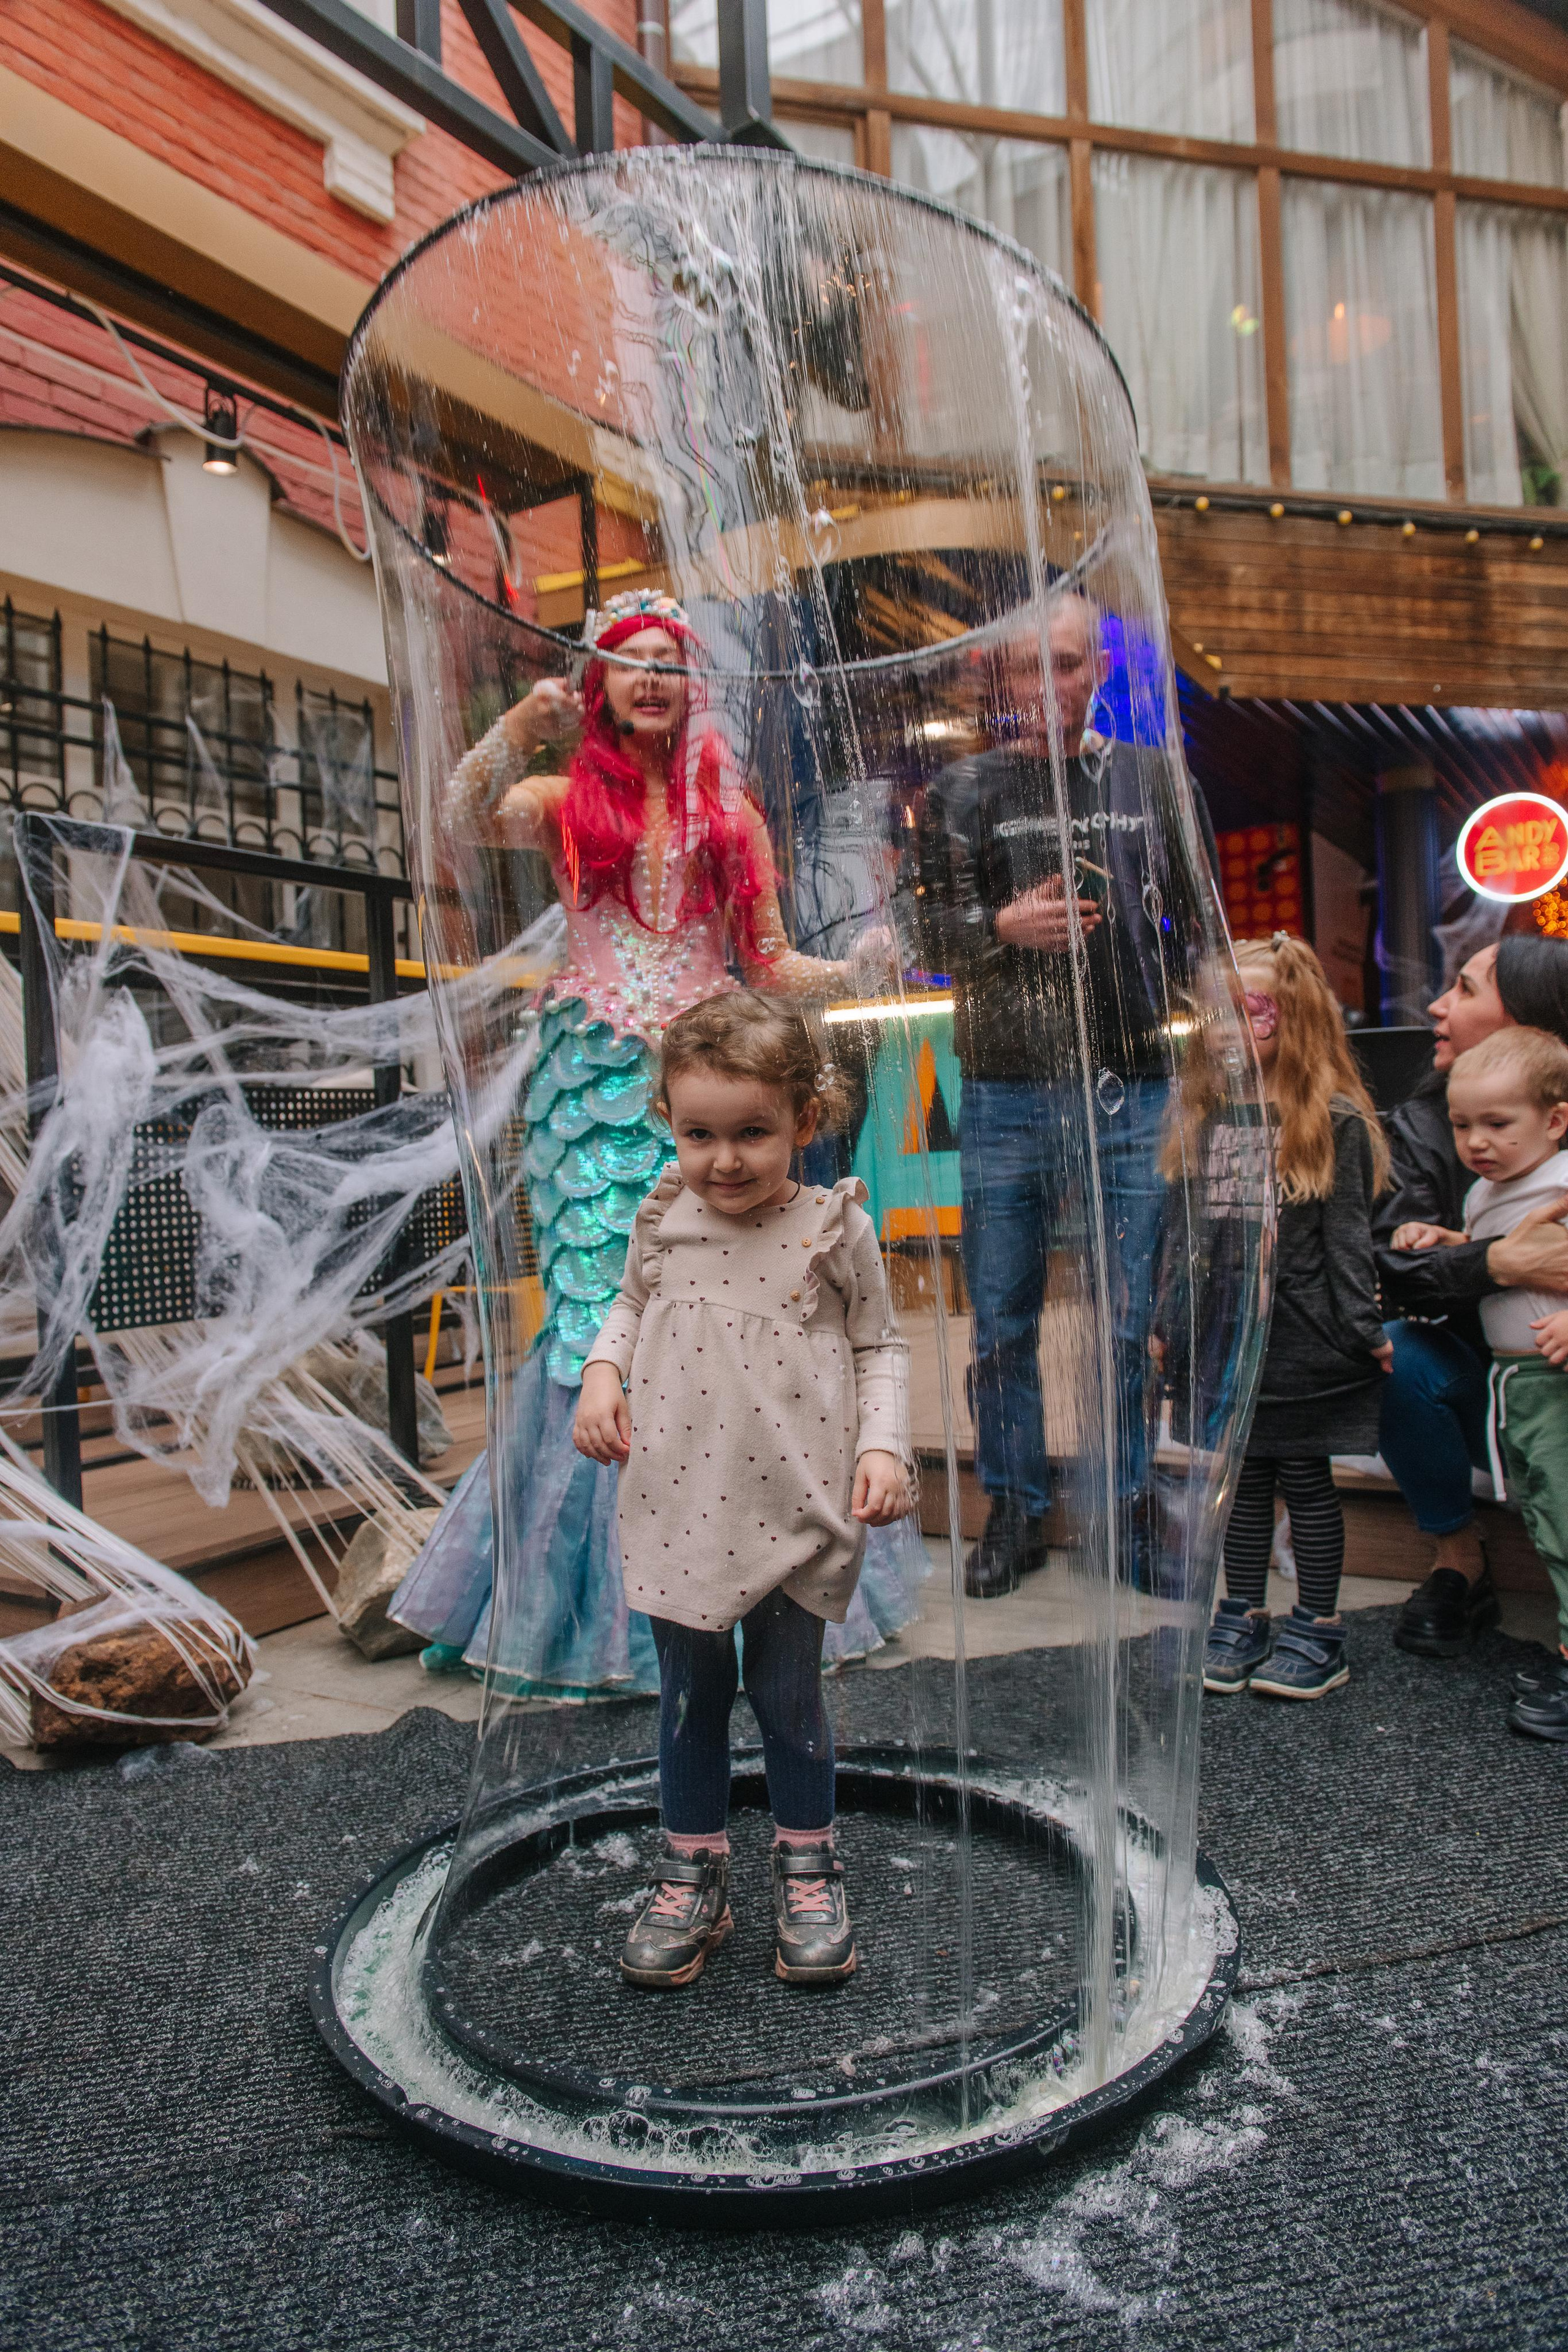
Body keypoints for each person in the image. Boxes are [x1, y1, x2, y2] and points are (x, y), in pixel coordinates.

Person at [388, 588, 921, 1695]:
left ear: (691, 688)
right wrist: (517, 728)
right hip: (591, 1087)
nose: (651, 679)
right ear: (600, 685)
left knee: (726, 1308)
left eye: (669, 663)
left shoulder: (732, 814)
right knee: (601, 1314)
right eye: (629, 661)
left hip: (710, 1081)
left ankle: (751, 1575)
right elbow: (459, 815)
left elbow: (770, 963)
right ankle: (601, 1616)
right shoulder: (560, 798)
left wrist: (854, 972)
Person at [574, 993, 911, 1987]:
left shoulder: (834, 1228)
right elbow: (629, 1304)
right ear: (670, 1124)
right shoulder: (664, 1219)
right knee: (690, 1696)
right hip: (680, 1501)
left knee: (787, 1692)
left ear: (805, 1119)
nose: (723, 1160)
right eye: (699, 1135)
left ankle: (809, 1866)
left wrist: (884, 1447)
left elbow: (879, 1345)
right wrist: (602, 1372)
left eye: (752, 1133)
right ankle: (693, 1871)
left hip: (795, 1505)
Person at [914, 591, 1197, 1598]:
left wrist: (1222, 1015)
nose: (1046, 688)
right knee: (1001, 1323)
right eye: (1024, 669)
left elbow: (1197, 920)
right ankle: (1016, 1513)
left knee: (1129, 1323)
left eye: (1066, 665)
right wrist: (998, 929)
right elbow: (919, 934)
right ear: (995, 679)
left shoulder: (1150, 777)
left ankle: (1126, 1511)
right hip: (1004, 1090)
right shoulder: (963, 788)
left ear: (1098, 671)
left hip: (1137, 1085)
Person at [1203, 937, 1392, 1700]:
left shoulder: (1332, 1120)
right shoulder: (1211, 1117)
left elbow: (1348, 1240)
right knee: (1245, 1482)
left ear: (1297, 1018)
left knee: (1307, 1482)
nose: (1226, 1031)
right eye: (1217, 1015)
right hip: (1232, 1339)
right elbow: (1192, 1236)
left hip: (1305, 1338)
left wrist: (1365, 1333)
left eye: (1248, 1012)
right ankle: (1241, 1614)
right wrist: (1169, 1323)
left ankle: (1318, 1626)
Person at [1374, 936, 1568, 1660]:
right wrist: (1494, 1260)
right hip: (1495, 1374)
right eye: (1466, 1127)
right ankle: (1460, 1559)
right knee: (1395, 1352)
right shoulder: (1422, 1127)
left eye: (1464, 989)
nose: (1436, 1005)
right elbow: (1391, 1267)